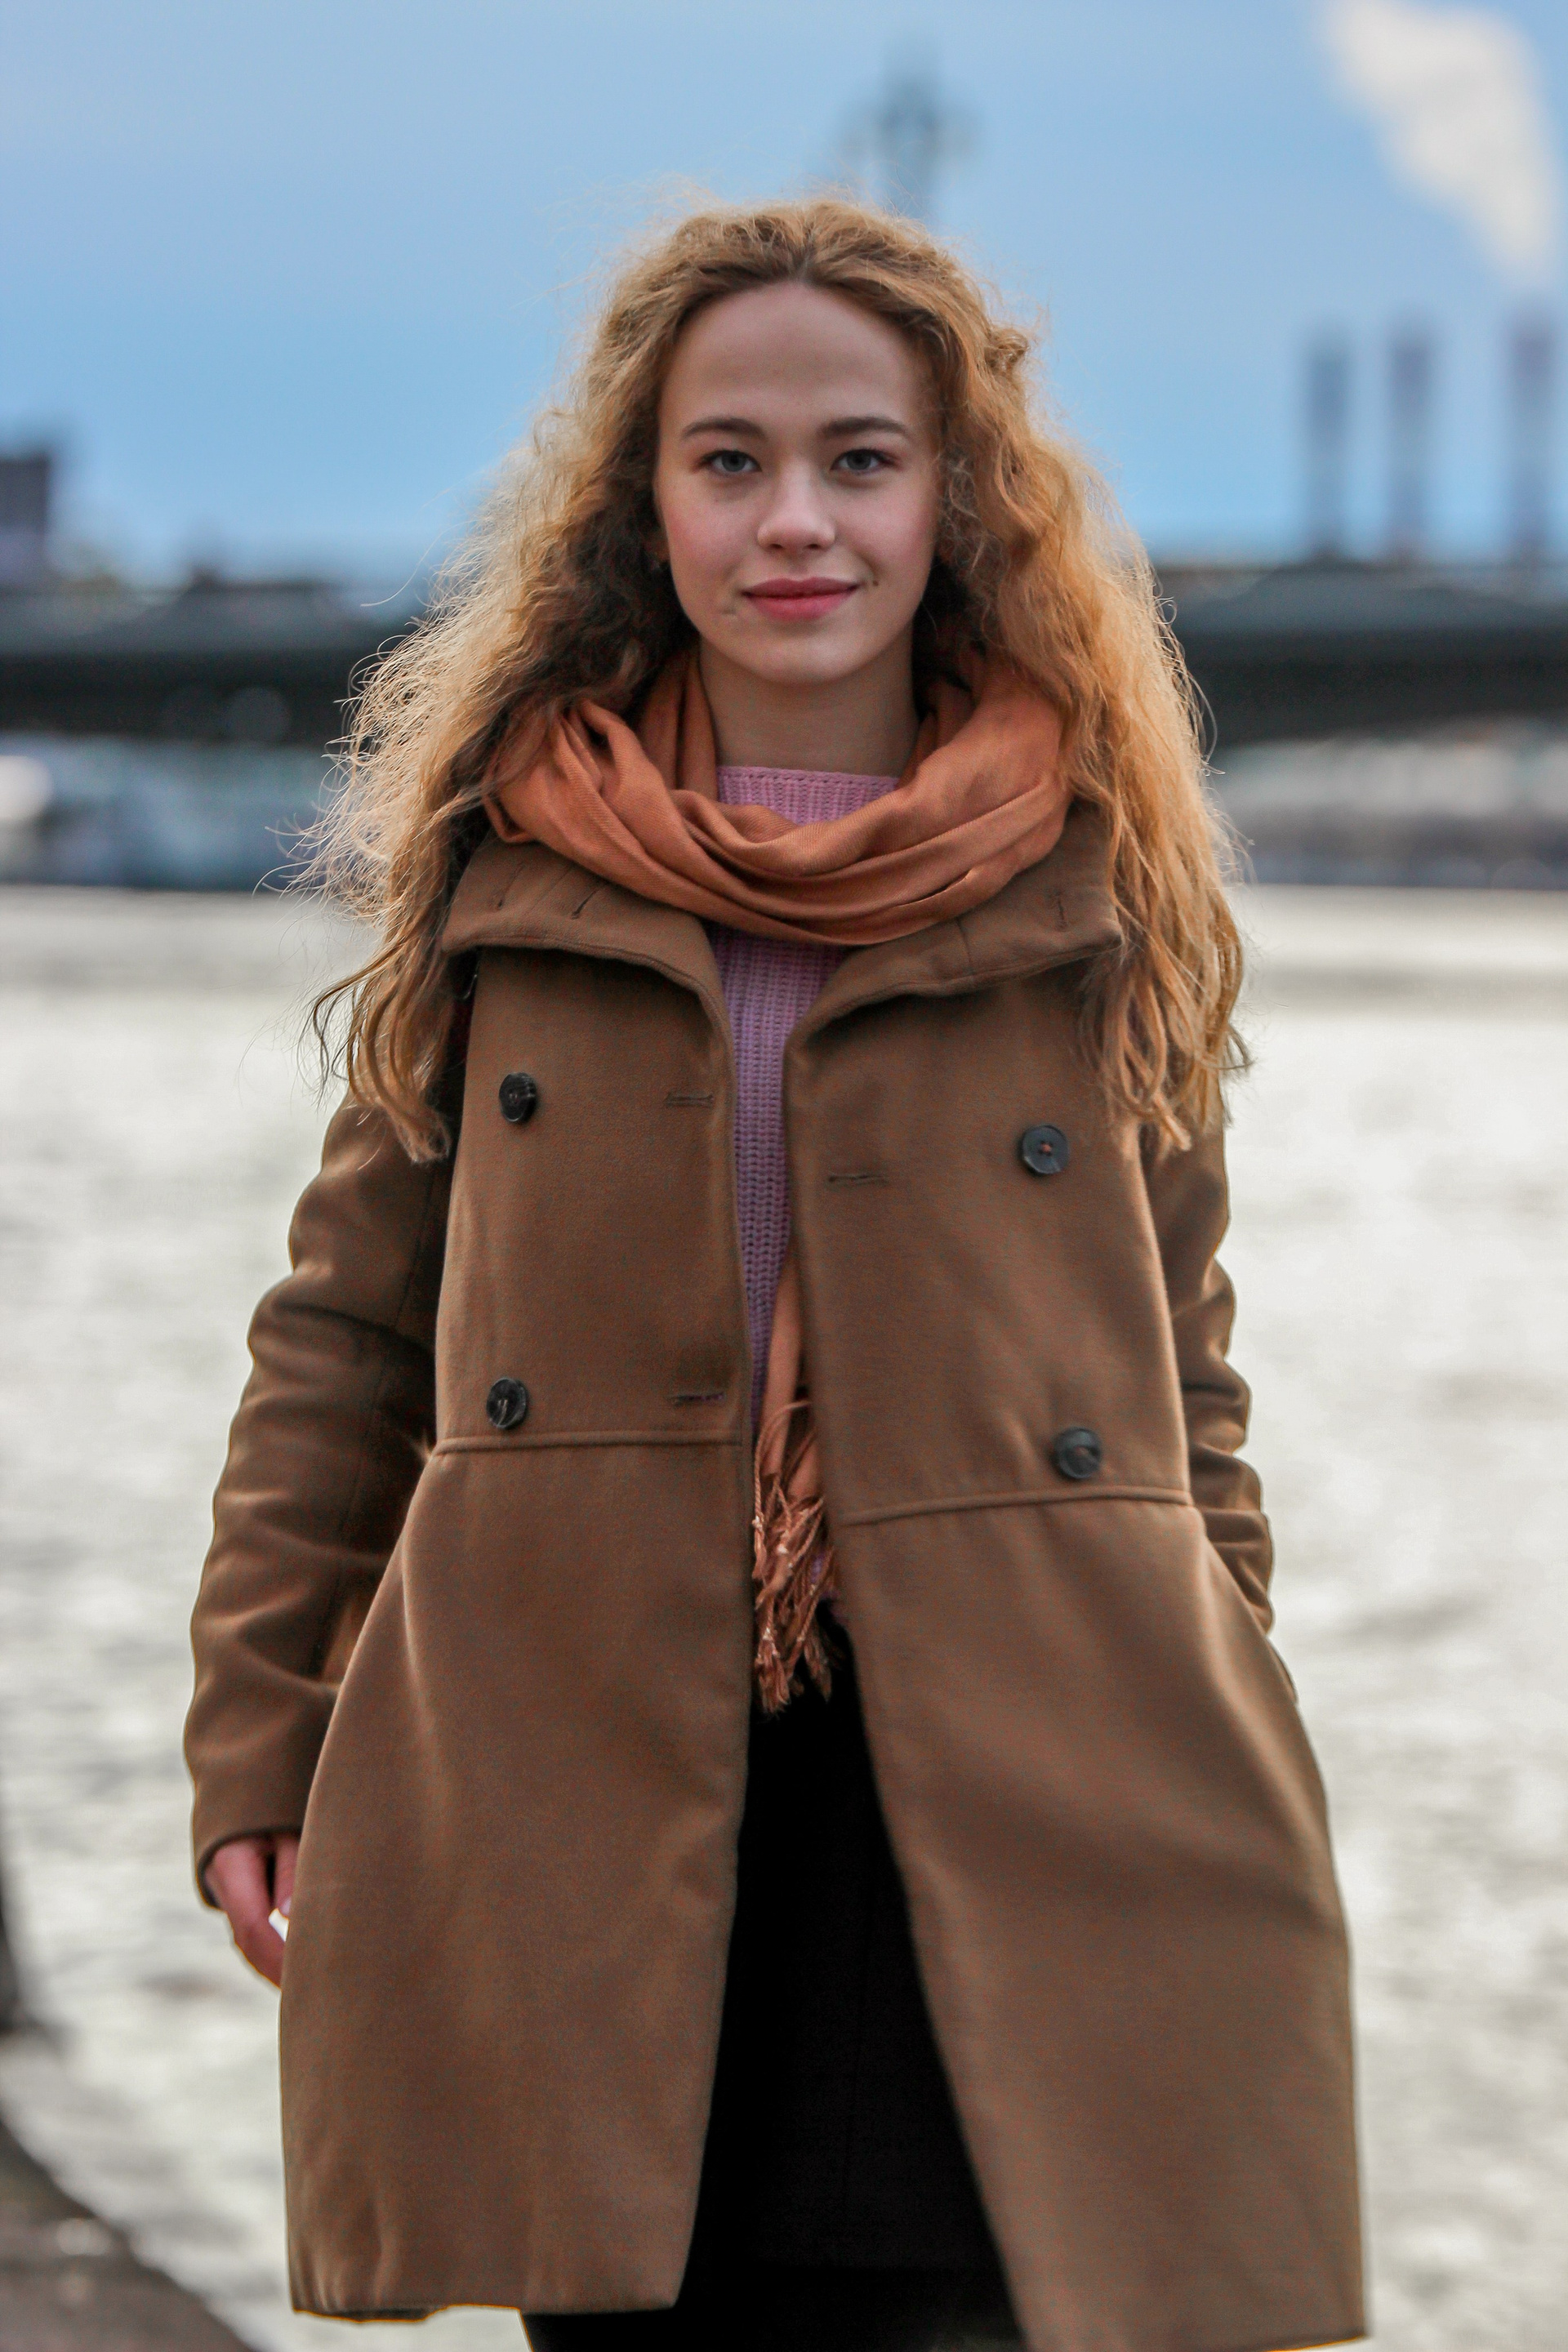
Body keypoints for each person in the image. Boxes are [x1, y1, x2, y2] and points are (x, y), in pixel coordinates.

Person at [186, 198, 1364, 2352]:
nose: (795, 520)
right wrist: (259, 1741)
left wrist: (1225, 1697)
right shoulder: (505, 878)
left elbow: (1185, 1378)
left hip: (1012, 1777)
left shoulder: (1095, 886)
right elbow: (342, 1344)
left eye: (860, 459)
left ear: (953, 498)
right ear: (644, 502)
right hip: (583, 1766)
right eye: (729, 459)